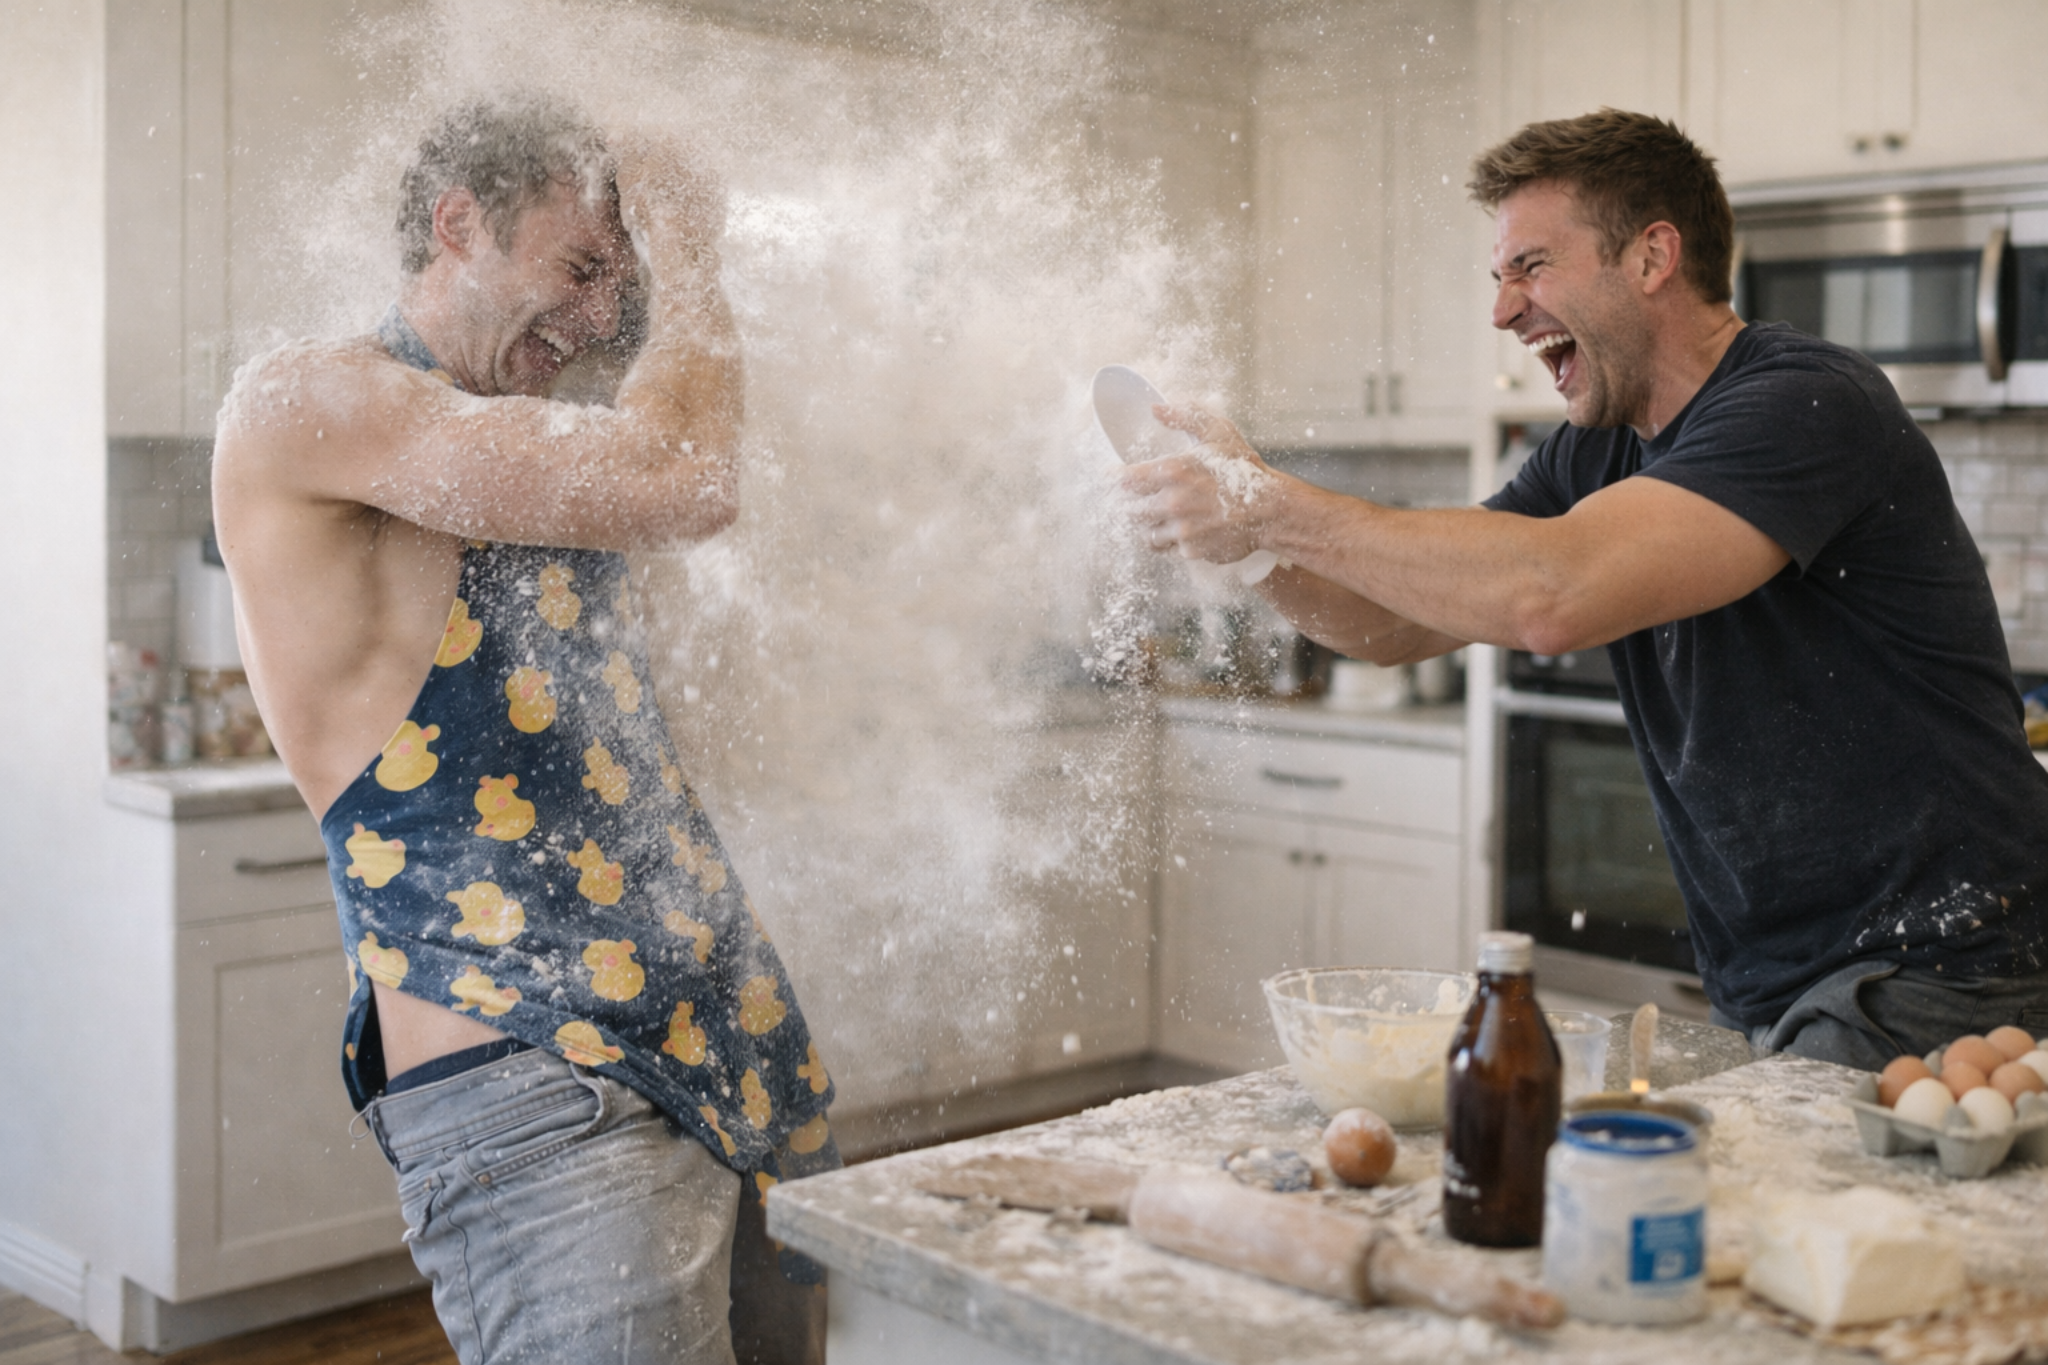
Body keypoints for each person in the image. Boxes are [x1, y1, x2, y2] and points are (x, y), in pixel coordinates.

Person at [1122, 108, 2048, 1070]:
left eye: (1531, 266)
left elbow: (1549, 596)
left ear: (1652, 257)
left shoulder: (1809, 403)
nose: (1502, 309)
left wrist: (1269, 507)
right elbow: (1388, 622)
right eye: (1499, 277)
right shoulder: (1593, 451)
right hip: (1786, 984)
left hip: (1946, 971)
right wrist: (1243, 542)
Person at [213, 93, 834, 1365]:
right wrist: (690, 240)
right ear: (457, 224)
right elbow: (687, 479)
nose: (607, 313)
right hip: (541, 1093)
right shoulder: (311, 402)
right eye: (581, 265)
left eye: (626, 277)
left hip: (712, 1035)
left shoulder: (531, 435)